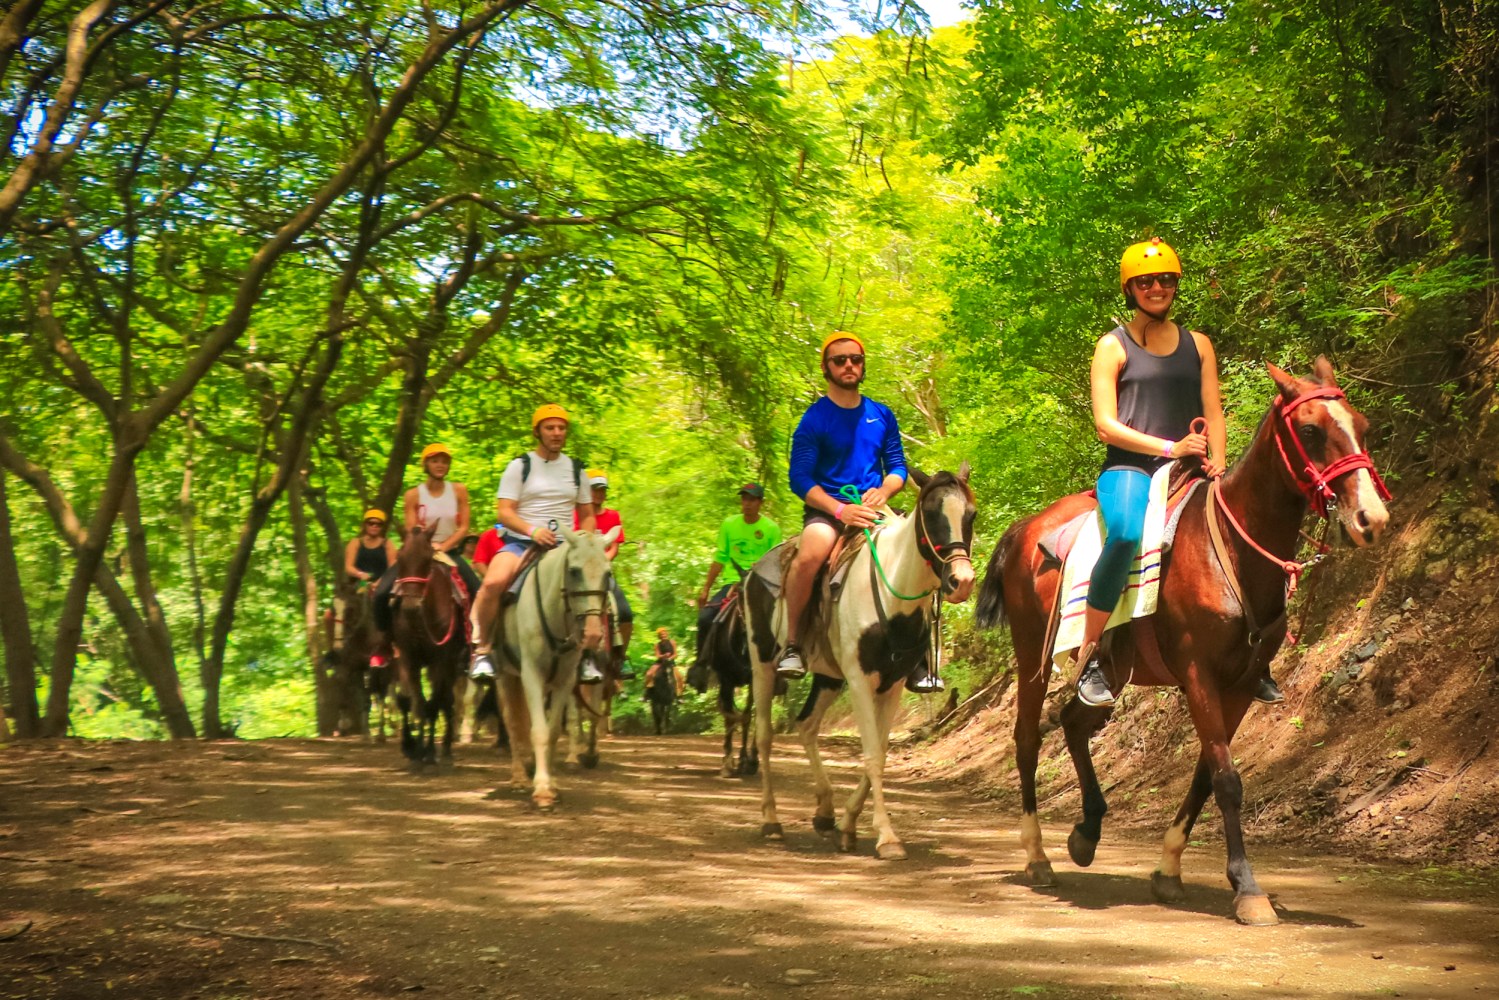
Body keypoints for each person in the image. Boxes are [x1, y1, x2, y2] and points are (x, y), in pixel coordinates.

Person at [1076, 237, 1280, 707]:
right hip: (1131, 470)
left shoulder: (1199, 345)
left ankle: (1256, 656)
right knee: (1126, 534)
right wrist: (1170, 445)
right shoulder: (1112, 346)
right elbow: (1107, 426)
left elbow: (1215, 410)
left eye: (1165, 279)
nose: (1157, 288)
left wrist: (1220, 462)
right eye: (1145, 281)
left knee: (1250, 535)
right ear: (1130, 289)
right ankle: (1094, 654)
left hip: (1192, 470)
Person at [777, 332, 936, 691]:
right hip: (830, 511)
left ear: (863, 365)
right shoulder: (814, 420)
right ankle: (793, 643)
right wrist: (839, 510)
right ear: (826, 368)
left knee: (924, 554)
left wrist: (884, 490)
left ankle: (920, 656)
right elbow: (799, 478)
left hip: (875, 507)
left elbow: (897, 466)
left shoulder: (881, 415)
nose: (849, 365)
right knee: (809, 555)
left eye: (856, 359)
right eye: (840, 360)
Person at [469, 404, 599, 682]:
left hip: (566, 547)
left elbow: (587, 515)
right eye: (550, 428)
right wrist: (532, 530)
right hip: (522, 543)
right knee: (492, 583)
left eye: (561, 428)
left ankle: (589, 655)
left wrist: (584, 542)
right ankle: (483, 651)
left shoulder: (577, 470)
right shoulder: (520, 466)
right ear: (537, 432)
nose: (556, 433)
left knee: (602, 589)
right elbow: (504, 511)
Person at [694, 482, 782, 667]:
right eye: (744, 499)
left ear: (761, 503)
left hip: (760, 585)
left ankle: (781, 665)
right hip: (732, 582)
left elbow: (775, 563)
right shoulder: (729, 524)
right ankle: (701, 665)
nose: (747, 503)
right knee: (705, 619)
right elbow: (720, 557)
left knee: (778, 622)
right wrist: (706, 589)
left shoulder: (771, 529)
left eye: (752, 499)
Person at [574, 469, 635, 679]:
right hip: (579, 574)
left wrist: (602, 563)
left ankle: (620, 658)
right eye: (595, 489)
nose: (599, 494)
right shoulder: (575, 515)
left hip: (602, 573)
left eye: (602, 490)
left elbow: (615, 547)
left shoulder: (613, 516)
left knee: (625, 613)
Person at [401, 443, 480, 598]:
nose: (440, 465)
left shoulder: (459, 490)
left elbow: (464, 527)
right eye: (435, 461)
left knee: (478, 590)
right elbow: (412, 531)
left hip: (449, 552)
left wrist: (443, 547)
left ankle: (475, 622)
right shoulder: (412, 495)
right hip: (420, 554)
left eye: (444, 462)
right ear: (425, 464)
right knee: (381, 594)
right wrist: (428, 548)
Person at [325, 509, 397, 658]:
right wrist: (361, 575)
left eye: (378, 524)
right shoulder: (355, 543)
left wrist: (380, 582)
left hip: (383, 584)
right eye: (371, 523)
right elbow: (349, 566)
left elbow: (392, 567)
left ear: (382, 527)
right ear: (365, 525)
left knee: (395, 606)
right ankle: (332, 650)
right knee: (329, 614)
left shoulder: (388, 544)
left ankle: (393, 644)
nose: (374, 526)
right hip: (359, 583)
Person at [643, 627, 681, 697]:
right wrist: (664, 656)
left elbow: (675, 654)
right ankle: (646, 693)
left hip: (670, 662)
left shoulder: (672, 642)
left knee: (679, 677)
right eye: (661, 634)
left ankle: (680, 695)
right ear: (659, 636)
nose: (663, 635)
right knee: (649, 674)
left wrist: (670, 658)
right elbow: (657, 655)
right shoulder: (657, 645)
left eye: (664, 634)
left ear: (667, 634)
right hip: (660, 663)